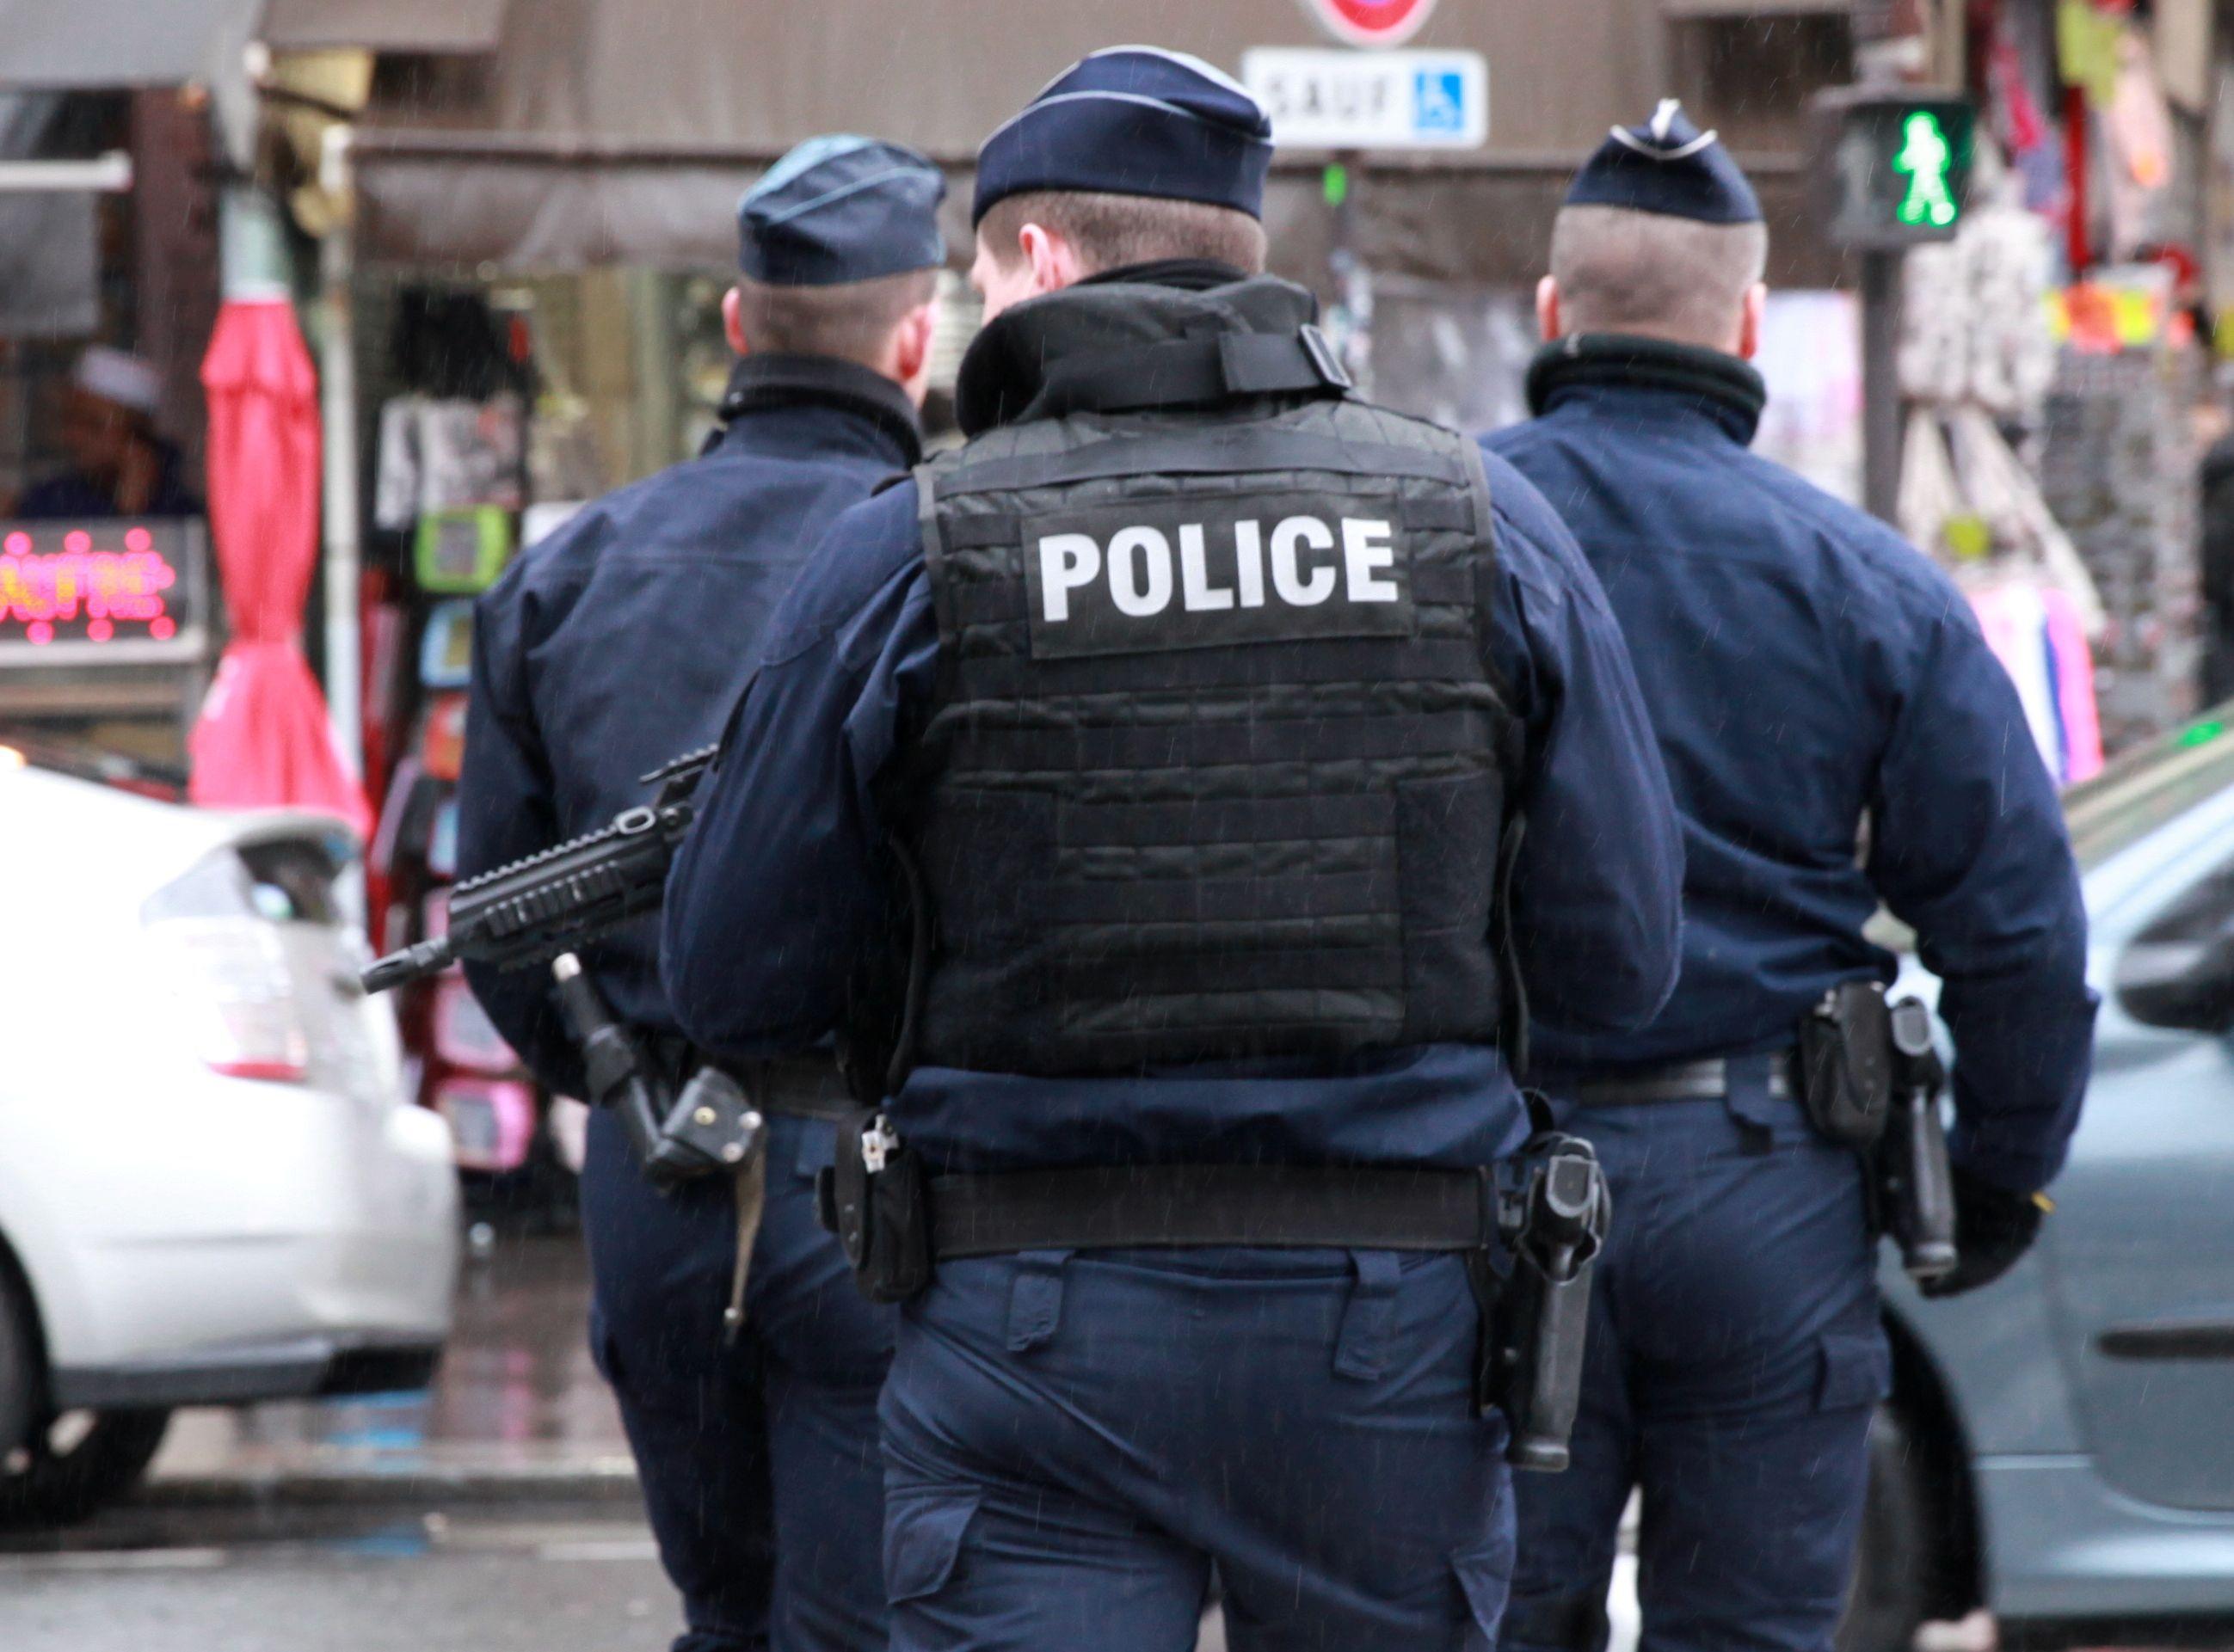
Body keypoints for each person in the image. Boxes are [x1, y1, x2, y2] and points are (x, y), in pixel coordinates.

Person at [663, 47, 1684, 1651]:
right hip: (1386, 1333)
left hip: (1025, 1325)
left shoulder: (911, 547)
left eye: (980, 270)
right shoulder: (1478, 522)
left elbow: (731, 976)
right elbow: (1622, 966)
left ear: (1044, 263)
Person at [1482, 102, 2096, 1652]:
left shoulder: (1442, 542)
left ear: (1551, 313)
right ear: (1746, 323)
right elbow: (2016, 927)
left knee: (1485, 1619)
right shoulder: (1867, 581)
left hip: (1484, 1176)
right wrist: (2000, 1175)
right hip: (1763, 1192)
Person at [455, 135, 948, 1652]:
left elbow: (498, 924)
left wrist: (618, 1075)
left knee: (724, 1613)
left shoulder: (571, 568)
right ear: (917, 338)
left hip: (654, 1164)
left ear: (737, 327)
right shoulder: (948, 555)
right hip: (886, 1173)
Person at [18, 346, 200, 519]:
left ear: (135, 433)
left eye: (94, 425)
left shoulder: (181, 513)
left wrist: (133, 508)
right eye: (70, 421)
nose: (74, 437)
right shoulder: (48, 503)